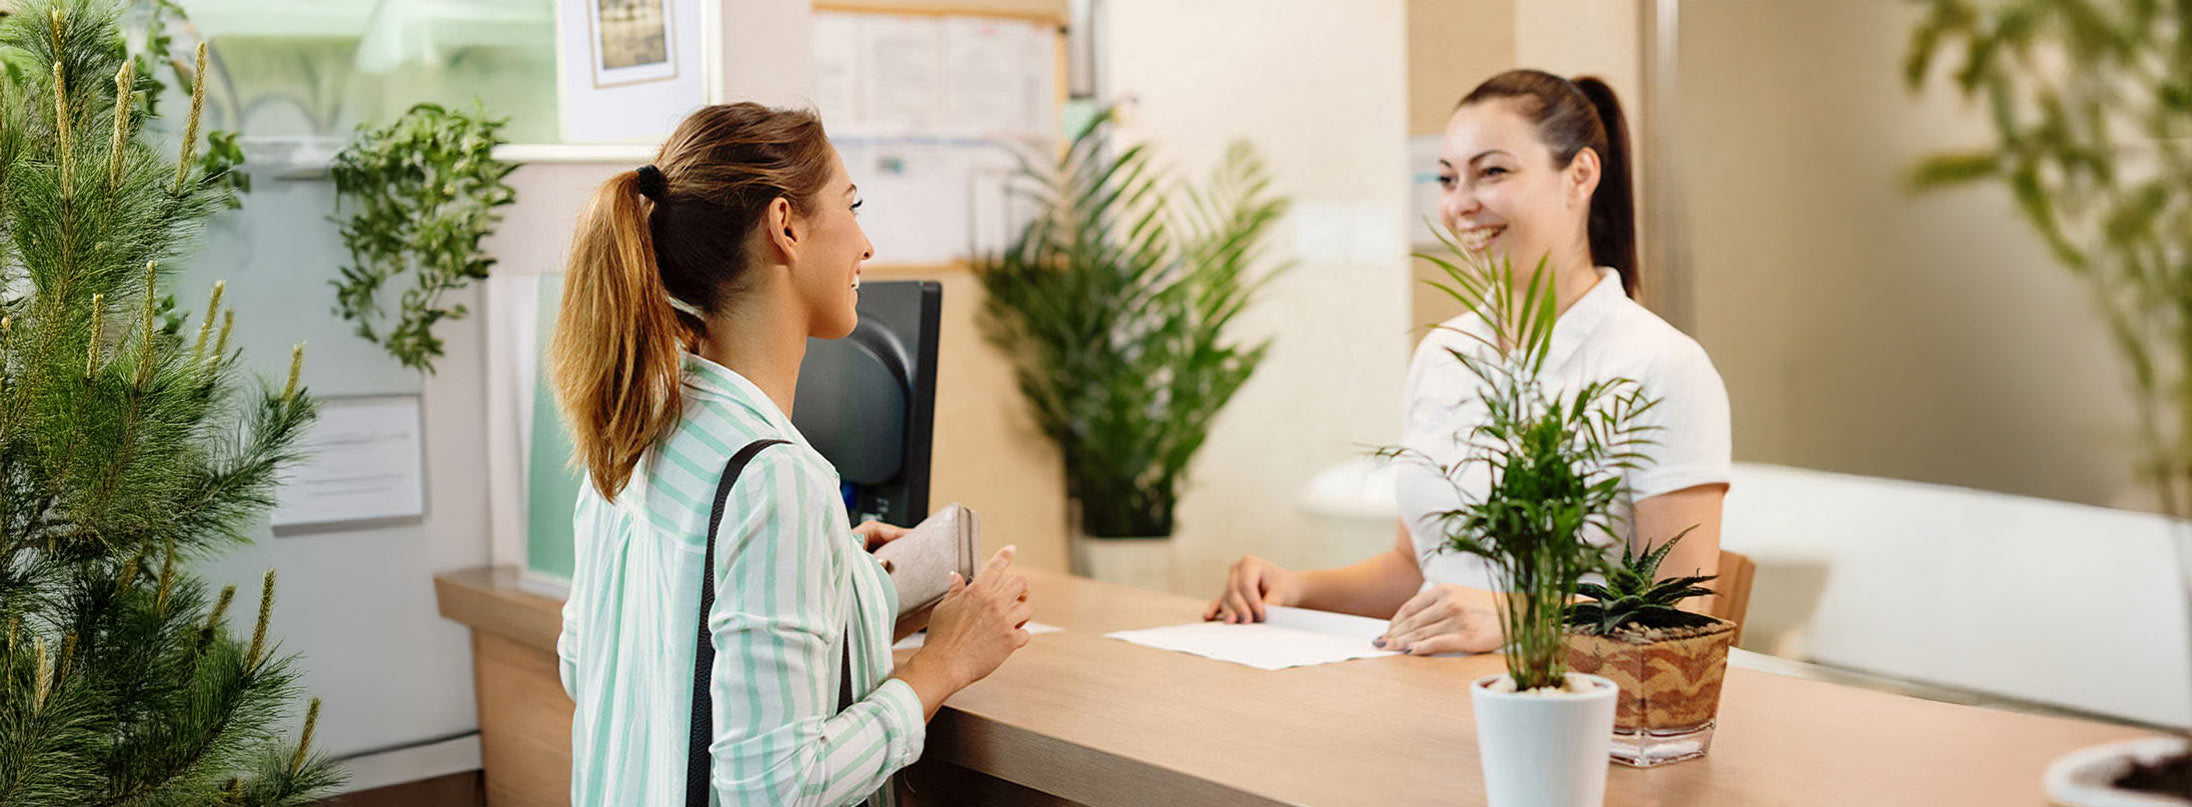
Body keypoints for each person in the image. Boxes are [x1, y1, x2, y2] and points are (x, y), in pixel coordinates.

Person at [549, 102, 1032, 806]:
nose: (865, 243)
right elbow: (776, 789)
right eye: (851, 205)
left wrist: (842, 586)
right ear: (786, 225)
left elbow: (585, 662)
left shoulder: (633, 421)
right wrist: (941, 666)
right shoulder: (773, 479)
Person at [1205, 69, 1732, 656]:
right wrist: (1295, 587)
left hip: (1574, 715)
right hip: (1424, 699)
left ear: (1580, 175)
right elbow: (1418, 569)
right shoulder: (1444, 354)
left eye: (1493, 172)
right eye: (1448, 178)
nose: (1460, 204)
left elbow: (1676, 615)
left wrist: (1522, 618)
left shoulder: (1663, 366)